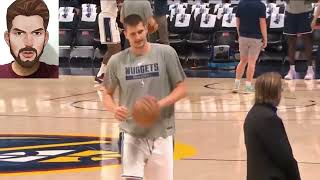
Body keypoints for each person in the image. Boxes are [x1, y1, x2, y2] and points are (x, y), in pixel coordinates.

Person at [103, 14, 186, 180]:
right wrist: (114, 109)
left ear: (146, 30)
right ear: (125, 34)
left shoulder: (166, 53)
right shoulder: (116, 61)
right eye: (133, 34)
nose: (138, 37)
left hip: (162, 132)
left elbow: (182, 88)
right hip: (132, 134)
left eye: (140, 32)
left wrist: (159, 105)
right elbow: (107, 93)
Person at [244, 72, 301, 180]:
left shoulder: (253, 113)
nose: (282, 93)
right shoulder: (268, 118)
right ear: (274, 92)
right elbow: (285, 158)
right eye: (280, 89)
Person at [0, 0, 58, 78]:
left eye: (37, 33)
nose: (28, 43)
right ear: (7, 38)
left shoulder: (58, 75)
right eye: (19, 33)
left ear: (46, 38)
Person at [233, 0, 267, 93]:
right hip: (255, 38)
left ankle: (236, 85)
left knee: (242, 61)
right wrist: (265, 38)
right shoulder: (261, 5)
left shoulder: (241, 3)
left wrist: (239, 34)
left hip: (243, 36)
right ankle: (248, 87)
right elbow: (262, 23)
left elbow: (237, 20)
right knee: (252, 62)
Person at [283, 0, 316, 80]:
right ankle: (291, 70)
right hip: (289, 11)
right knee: (291, 40)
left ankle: (310, 70)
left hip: (305, 11)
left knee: (307, 40)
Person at [95, 0, 122, 83]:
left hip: (111, 18)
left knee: (117, 48)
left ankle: (110, 73)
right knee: (113, 48)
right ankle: (101, 74)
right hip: (107, 19)